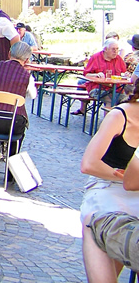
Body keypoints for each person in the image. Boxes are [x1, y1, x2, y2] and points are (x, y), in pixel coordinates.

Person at [79, 87, 139, 283]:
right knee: (96, 220)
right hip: (108, 186)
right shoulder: (119, 115)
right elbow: (89, 164)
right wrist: (126, 178)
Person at [75, 39, 128, 115]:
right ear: (105, 49)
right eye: (113, 49)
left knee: (126, 101)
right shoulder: (96, 58)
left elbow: (123, 73)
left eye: (117, 49)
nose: (116, 51)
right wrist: (96, 75)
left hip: (116, 89)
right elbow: (86, 75)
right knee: (110, 100)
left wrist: (126, 75)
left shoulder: (118, 59)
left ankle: (121, 121)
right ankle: (108, 122)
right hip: (97, 87)